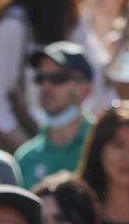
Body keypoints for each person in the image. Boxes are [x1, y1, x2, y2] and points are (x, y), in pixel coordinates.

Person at [0, 0, 85, 149]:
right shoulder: (13, 25)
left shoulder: (71, 19)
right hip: (22, 147)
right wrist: (31, 151)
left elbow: (98, 76)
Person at [16, 43, 96, 187]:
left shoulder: (105, 145)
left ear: (85, 89)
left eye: (58, 78)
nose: (45, 87)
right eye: (40, 78)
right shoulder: (24, 158)